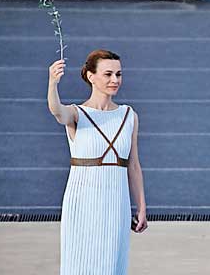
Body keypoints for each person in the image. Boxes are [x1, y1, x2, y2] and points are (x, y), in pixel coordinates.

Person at [47, 49, 148, 274]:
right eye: (108, 74)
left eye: (119, 74)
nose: (115, 80)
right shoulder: (76, 114)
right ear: (91, 76)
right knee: (80, 264)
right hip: (82, 204)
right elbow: (56, 111)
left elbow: (133, 165)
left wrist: (141, 207)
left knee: (111, 264)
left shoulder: (129, 115)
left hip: (115, 204)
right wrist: (53, 84)